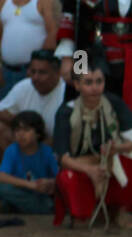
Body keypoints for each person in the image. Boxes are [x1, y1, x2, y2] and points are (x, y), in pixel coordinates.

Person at [52, 62, 132, 227]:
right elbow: (62, 158)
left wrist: (117, 148)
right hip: (81, 165)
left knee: (127, 163)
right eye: (88, 82)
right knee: (68, 176)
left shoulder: (113, 104)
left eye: (99, 81)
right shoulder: (66, 112)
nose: (95, 87)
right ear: (77, 85)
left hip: (108, 161)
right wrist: (90, 170)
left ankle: (117, 210)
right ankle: (81, 214)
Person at [0, 50, 65, 156]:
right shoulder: (25, 85)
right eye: (32, 72)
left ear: (57, 73)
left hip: (54, 147)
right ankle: (12, 169)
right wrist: (25, 126)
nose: (35, 77)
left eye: (42, 72)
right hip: (28, 142)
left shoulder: (67, 93)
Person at [0, 110, 58, 214]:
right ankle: (38, 208)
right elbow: (2, 177)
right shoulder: (11, 150)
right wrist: (31, 185)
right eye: (17, 130)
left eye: (26, 130)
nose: (21, 134)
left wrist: (49, 183)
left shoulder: (47, 151)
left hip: (41, 193)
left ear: (38, 133)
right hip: (21, 190)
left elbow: (58, 176)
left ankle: (20, 207)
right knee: (2, 188)